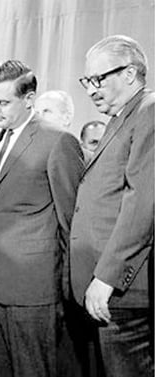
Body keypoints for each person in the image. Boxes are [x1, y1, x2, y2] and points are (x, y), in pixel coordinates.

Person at [0, 60, 84, 377]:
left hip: (34, 288)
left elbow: (71, 221)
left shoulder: (57, 141)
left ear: (28, 99)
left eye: (3, 102)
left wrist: (70, 291)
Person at [71, 35, 154, 377]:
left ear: (131, 73)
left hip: (124, 288)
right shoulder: (124, 116)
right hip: (113, 289)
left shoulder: (148, 112)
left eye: (99, 79)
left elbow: (142, 204)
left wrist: (107, 277)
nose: (91, 89)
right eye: (87, 80)